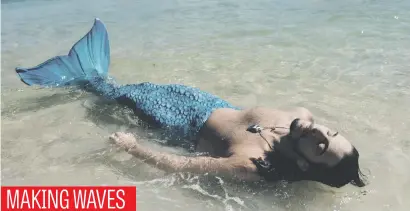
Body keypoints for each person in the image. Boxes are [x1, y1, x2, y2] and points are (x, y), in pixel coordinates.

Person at [15, 18, 367, 188]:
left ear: (305, 166)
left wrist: (134, 148)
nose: (319, 133)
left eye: (320, 148)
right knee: (118, 85)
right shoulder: (301, 115)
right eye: (330, 133)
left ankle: (71, 75)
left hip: (175, 121)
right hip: (201, 98)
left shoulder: (250, 164)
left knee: (106, 92)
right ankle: (83, 71)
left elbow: (179, 166)